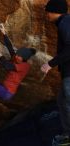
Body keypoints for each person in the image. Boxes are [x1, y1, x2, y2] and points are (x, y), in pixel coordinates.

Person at [40, 0, 70, 145]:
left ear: (53, 11)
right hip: (67, 73)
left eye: (48, 11)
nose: (46, 15)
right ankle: (67, 134)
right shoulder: (65, 22)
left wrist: (50, 64)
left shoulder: (65, 23)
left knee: (67, 102)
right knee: (62, 101)